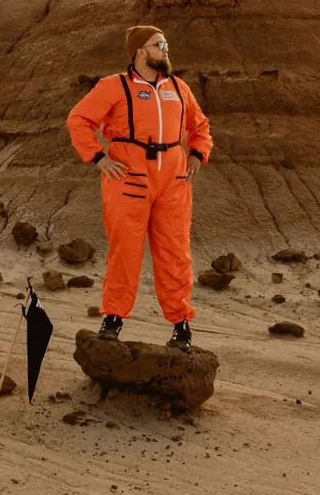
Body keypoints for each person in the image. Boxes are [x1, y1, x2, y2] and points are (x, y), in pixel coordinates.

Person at [66, 24, 212, 350]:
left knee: (175, 254)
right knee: (125, 253)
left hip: (173, 181)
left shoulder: (179, 88)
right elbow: (78, 120)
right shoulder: (114, 86)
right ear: (140, 51)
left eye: (166, 44)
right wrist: (99, 157)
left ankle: (181, 325)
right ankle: (113, 319)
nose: (166, 50)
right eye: (159, 44)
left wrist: (196, 155)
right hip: (128, 179)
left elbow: (200, 127)